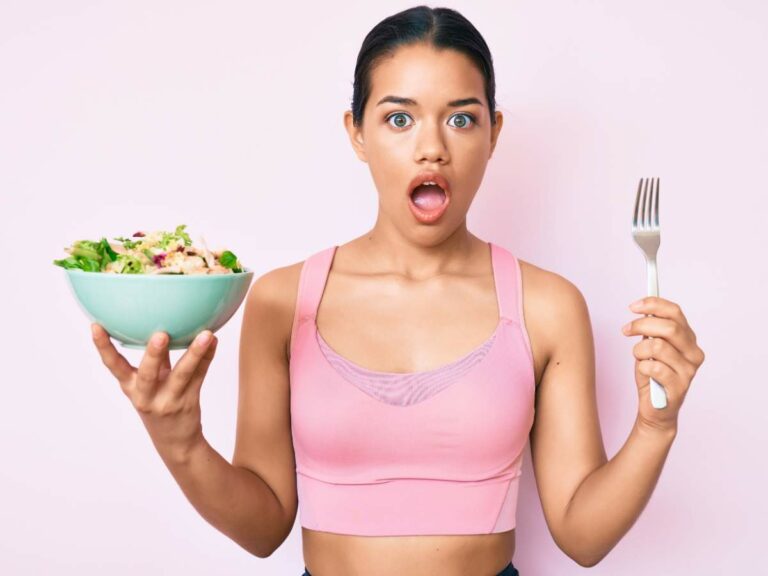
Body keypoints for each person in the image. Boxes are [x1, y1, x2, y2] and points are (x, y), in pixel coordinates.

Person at [91, 5, 705, 575]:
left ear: (493, 134)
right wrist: (180, 443)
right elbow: (264, 527)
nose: (432, 147)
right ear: (357, 132)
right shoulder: (283, 302)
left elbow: (582, 535)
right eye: (399, 118)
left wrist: (657, 427)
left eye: (461, 118)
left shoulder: (547, 306)